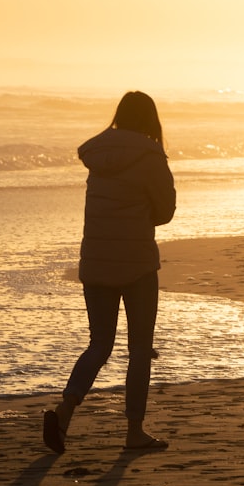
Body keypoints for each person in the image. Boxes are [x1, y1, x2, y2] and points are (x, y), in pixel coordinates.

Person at [44, 91, 176, 453]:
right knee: (139, 350)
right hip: (137, 263)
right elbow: (165, 211)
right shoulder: (150, 156)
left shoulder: (98, 154)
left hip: (96, 261)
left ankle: (65, 409)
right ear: (151, 119)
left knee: (99, 345)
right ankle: (134, 430)